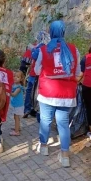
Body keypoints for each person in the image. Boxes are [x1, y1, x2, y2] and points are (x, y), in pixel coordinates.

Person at [34, 20, 80, 168]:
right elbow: (78, 72)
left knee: (45, 120)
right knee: (63, 123)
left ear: (51, 32)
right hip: (66, 94)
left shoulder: (44, 49)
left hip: (47, 92)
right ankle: (65, 155)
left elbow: (36, 71)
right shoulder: (74, 49)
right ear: (63, 32)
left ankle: (44, 147)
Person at [23, 31, 50, 118]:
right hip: (42, 74)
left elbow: (34, 56)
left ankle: (28, 109)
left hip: (36, 74)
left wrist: (33, 49)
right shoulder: (49, 47)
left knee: (30, 91)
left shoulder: (41, 47)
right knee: (36, 93)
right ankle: (33, 110)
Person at [10, 71, 25, 136]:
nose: (15, 78)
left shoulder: (19, 87)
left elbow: (13, 94)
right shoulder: (14, 85)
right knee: (15, 117)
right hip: (16, 104)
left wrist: (7, 91)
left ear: (21, 79)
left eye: (18, 77)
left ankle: (16, 131)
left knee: (16, 117)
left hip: (18, 105)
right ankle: (17, 127)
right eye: (14, 76)